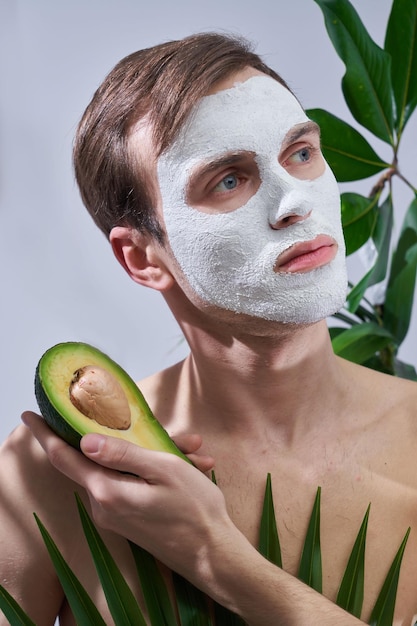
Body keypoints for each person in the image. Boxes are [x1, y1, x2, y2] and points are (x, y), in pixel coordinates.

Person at [1, 32, 417, 626]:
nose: (293, 201)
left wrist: (213, 556)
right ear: (143, 258)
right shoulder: (56, 476)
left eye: (301, 153)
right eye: (229, 179)